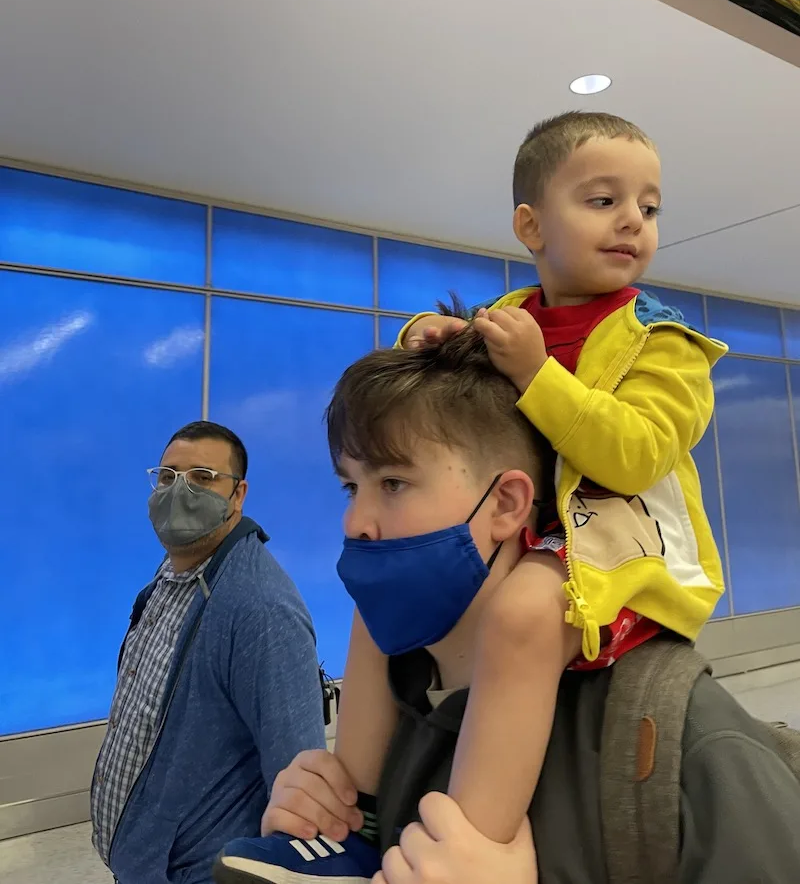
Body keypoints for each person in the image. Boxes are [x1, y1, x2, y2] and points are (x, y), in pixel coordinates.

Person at [213, 110, 728, 881]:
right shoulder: (517, 317)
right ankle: (351, 816)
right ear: (530, 224)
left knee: (523, 612)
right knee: (374, 601)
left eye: (648, 207)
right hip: (533, 532)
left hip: (620, 540)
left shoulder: (665, 343)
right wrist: (423, 332)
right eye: (602, 200)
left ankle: (474, 842)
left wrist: (537, 377)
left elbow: (640, 452)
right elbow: (446, 400)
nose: (632, 220)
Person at [214, 329, 800, 884]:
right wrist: (331, 818)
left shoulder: (684, 746)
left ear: (508, 504)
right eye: (351, 486)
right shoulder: (394, 713)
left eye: (393, 483)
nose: (355, 523)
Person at [91, 420, 326, 884]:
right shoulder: (171, 578)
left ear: (238, 495)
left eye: (202, 477)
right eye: (168, 476)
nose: (179, 491)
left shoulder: (261, 609)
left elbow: (297, 786)